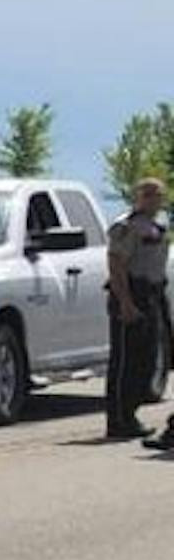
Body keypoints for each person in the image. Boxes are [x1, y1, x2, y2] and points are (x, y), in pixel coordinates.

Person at [108, 178, 168, 441]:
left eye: (158, 195)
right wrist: (125, 302)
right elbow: (116, 264)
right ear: (138, 197)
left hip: (154, 294)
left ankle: (131, 412)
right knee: (126, 362)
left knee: (147, 360)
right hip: (132, 293)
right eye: (148, 194)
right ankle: (119, 419)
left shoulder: (157, 226)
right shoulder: (127, 226)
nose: (154, 199)